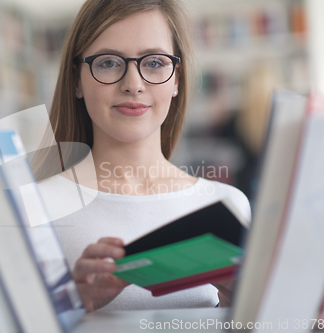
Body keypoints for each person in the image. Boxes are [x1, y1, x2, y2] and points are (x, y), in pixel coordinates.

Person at [32, 0, 251, 313]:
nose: (133, 84)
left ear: (176, 79)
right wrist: (72, 308)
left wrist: (238, 309)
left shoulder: (229, 206)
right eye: (108, 62)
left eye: (154, 63)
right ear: (76, 80)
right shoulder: (34, 207)